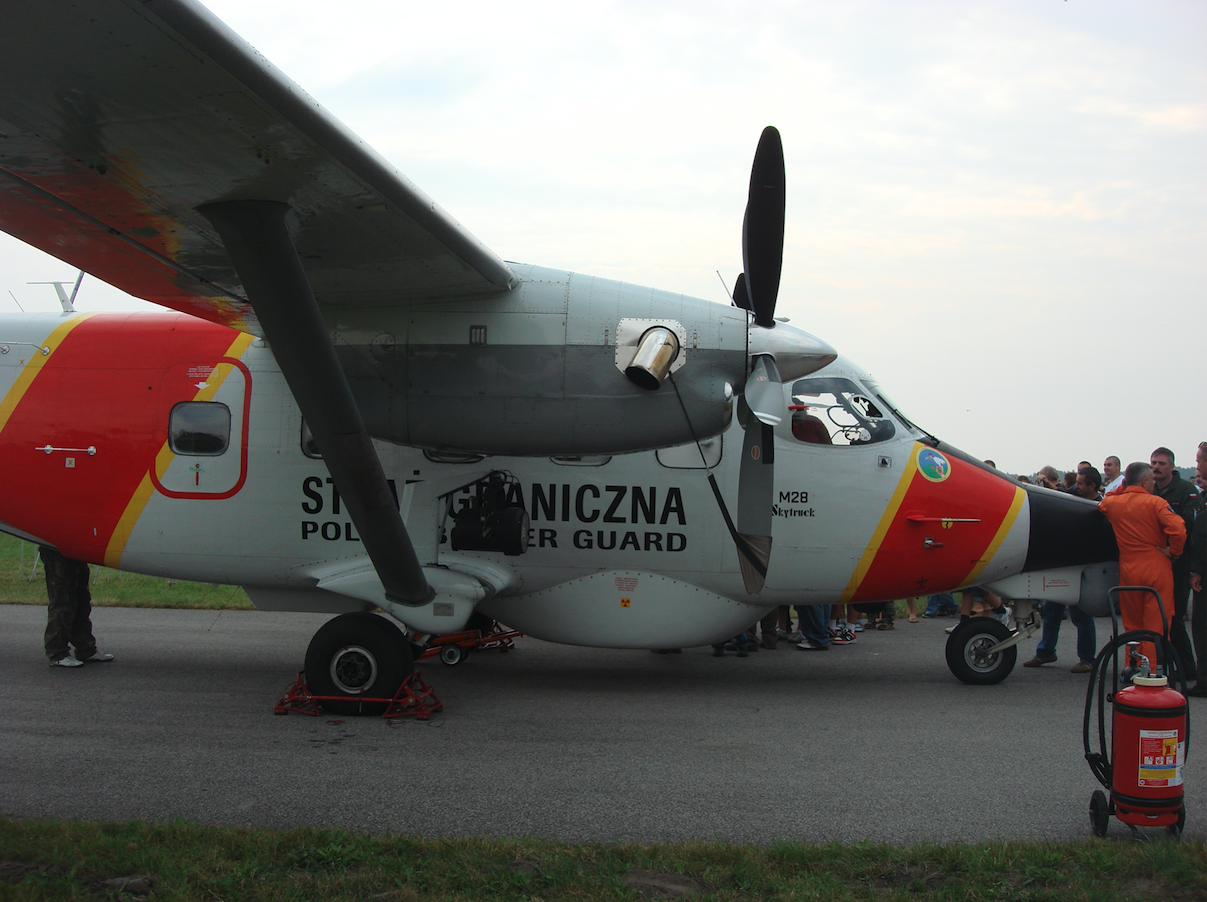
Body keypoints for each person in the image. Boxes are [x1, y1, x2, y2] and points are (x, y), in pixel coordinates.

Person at [1098, 462, 1187, 670]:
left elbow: (1103, 502)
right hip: (1156, 566)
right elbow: (1178, 529)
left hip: (1129, 568)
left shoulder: (1115, 504)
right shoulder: (1156, 503)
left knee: (1132, 624)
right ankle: (1152, 669)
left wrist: (1125, 487)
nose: (1154, 483)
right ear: (1145, 481)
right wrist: (1174, 552)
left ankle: (1132, 665)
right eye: (1152, 480)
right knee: (1156, 624)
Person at [1151, 447, 1199, 676]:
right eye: (1153, 463)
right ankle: (1166, 663)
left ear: (1171, 466)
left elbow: (1189, 522)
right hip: (1156, 559)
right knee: (1157, 614)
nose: (1156, 468)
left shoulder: (1186, 490)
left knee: (1175, 615)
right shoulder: (1149, 489)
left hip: (1179, 559)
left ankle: (1187, 667)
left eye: (1161, 463)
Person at [40, 545, 114, 668]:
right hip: (58, 548)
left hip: (75, 549)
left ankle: (85, 648)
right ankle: (57, 653)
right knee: (63, 601)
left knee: (82, 600)